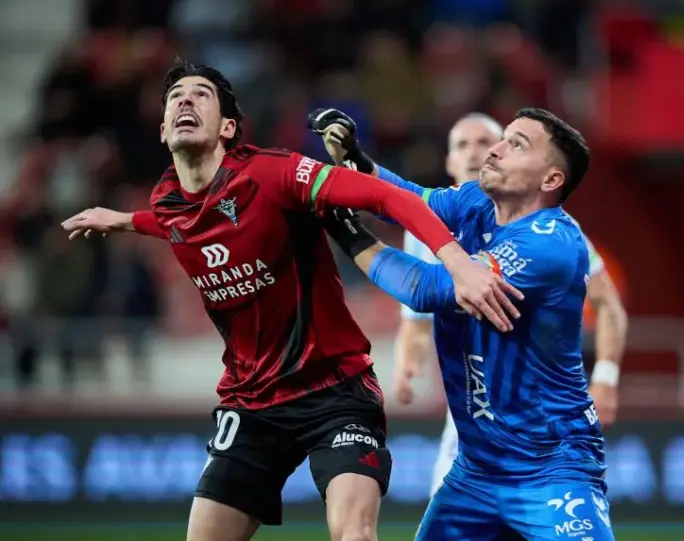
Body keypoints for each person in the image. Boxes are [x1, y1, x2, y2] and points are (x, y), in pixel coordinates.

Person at [61, 61, 522, 541]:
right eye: (176, 96)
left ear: (228, 127)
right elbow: (179, 222)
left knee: (354, 535)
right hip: (252, 402)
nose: (185, 101)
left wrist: (459, 265)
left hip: (336, 392)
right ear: (162, 130)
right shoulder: (167, 204)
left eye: (201, 94)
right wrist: (124, 220)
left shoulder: (274, 174)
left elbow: (390, 199)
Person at [314, 107, 615, 540]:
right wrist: (358, 162)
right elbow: (412, 202)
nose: (494, 149)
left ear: (551, 180)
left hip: (551, 467)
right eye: (504, 137)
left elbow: (424, 288)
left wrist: (344, 230)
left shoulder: (550, 244)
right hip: (475, 472)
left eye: (517, 145)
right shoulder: (479, 202)